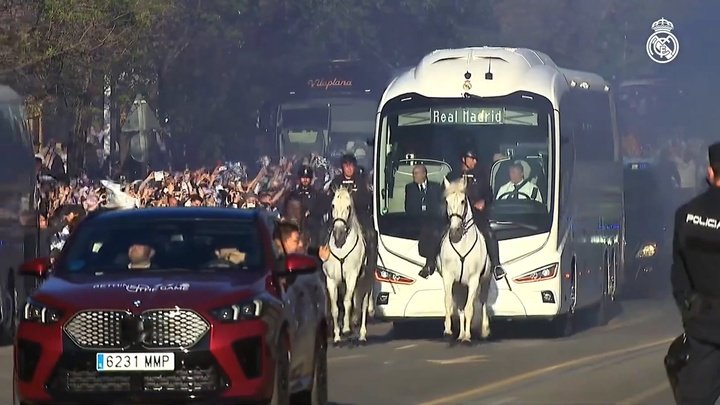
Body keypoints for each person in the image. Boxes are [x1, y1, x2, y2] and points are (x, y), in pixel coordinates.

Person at [668, 141, 720, 404]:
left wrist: (690, 310)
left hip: (704, 328)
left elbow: (679, 273)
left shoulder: (686, 215)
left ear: (710, 172)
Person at [418, 150, 500, 278]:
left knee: (489, 233)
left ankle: (496, 266)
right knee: (435, 232)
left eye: (475, 159)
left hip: (475, 216)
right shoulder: (452, 176)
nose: (474, 162)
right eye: (472, 158)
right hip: (454, 215)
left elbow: (489, 194)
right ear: (464, 159)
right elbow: (442, 195)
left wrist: (483, 201)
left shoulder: (481, 177)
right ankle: (430, 263)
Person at [322, 153, 377, 276]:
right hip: (338, 216)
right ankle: (322, 263)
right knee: (322, 232)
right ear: (342, 167)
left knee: (371, 233)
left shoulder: (361, 181)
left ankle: (370, 265)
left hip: (359, 214)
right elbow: (328, 200)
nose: (349, 169)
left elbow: (367, 199)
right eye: (346, 166)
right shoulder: (336, 182)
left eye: (351, 166)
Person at [286, 165, 324, 247]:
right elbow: (286, 209)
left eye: (307, 178)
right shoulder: (293, 194)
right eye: (303, 177)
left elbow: (321, 211)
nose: (305, 180)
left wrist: (310, 212)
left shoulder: (317, 195)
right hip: (295, 229)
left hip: (312, 229)